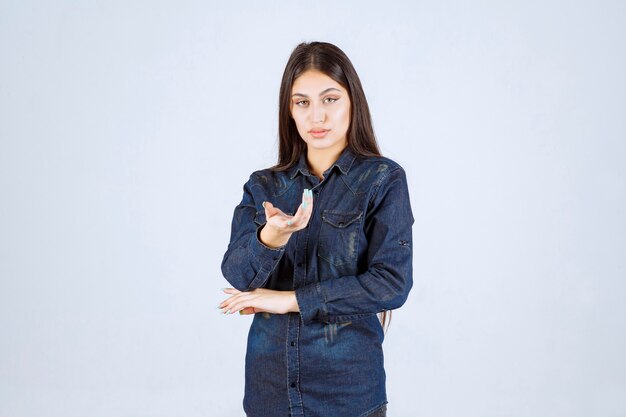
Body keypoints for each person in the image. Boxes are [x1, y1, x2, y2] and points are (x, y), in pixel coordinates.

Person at [219, 41, 414, 417]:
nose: (316, 117)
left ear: (352, 101)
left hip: (348, 395)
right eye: (302, 102)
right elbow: (237, 276)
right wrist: (272, 237)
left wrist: (290, 300)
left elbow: (391, 282)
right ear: (289, 111)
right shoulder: (264, 186)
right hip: (270, 392)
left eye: (330, 99)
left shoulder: (382, 179)